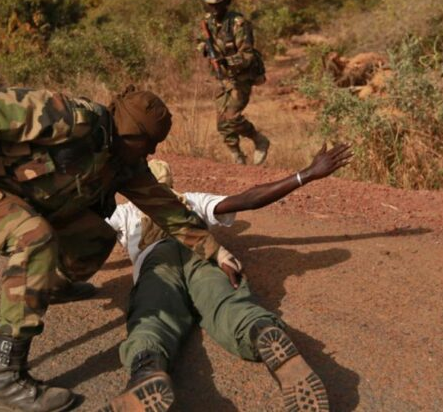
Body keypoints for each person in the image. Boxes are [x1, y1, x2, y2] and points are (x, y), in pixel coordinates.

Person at [0, 85, 242, 412]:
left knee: (95, 236)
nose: (150, 152)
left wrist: (216, 252)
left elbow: (167, 209)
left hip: (34, 200)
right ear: (128, 132)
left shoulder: (124, 163)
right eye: (147, 143)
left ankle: (49, 285)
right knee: (35, 239)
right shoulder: (70, 117)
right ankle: (5, 379)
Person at [103, 143, 352, 412]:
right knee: (228, 304)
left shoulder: (126, 211)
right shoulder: (190, 199)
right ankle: (260, 331)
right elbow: (249, 198)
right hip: (203, 253)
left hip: (157, 261)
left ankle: (147, 367)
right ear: (170, 183)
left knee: (152, 316)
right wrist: (307, 174)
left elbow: (84, 231)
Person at [198, 0, 270, 165]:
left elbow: (247, 55)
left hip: (241, 77)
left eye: (217, 5)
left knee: (232, 116)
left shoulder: (239, 23)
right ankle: (237, 156)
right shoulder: (208, 22)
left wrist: (226, 60)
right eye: (210, 5)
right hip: (221, 77)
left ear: (226, 4)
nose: (213, 9)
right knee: (221, 122)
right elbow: (200, 42)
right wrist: (205, 49)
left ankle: (259, 139)